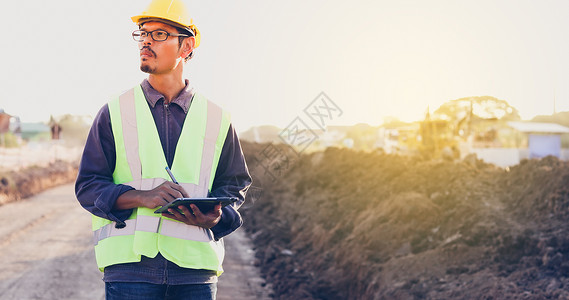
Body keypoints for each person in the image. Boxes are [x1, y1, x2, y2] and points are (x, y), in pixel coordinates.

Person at [75, 0, 252, 299]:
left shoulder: (217, 118)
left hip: (196, 273)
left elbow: (234, 187)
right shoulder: (114, 111)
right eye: (142, 33)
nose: (145, 40)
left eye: (158, 34)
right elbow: (88, 186)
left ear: (187, 46)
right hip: (131, 271)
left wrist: (217, 218)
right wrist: (142, 197)